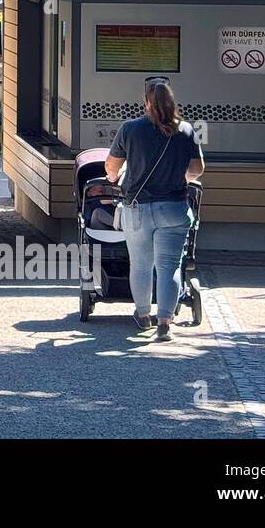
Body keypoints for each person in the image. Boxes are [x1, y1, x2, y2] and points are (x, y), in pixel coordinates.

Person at [104, 79, 204, 342]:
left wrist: (113, 177)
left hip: (137, 209)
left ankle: (143, 314)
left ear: (146, 102)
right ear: (171, 102)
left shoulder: (130, 129)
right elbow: (197, 170)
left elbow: (112, 166)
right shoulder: (185, 130)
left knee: (140, 264)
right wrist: (178, 176)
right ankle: (164, 322)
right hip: (174, 208)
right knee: (169, 265)